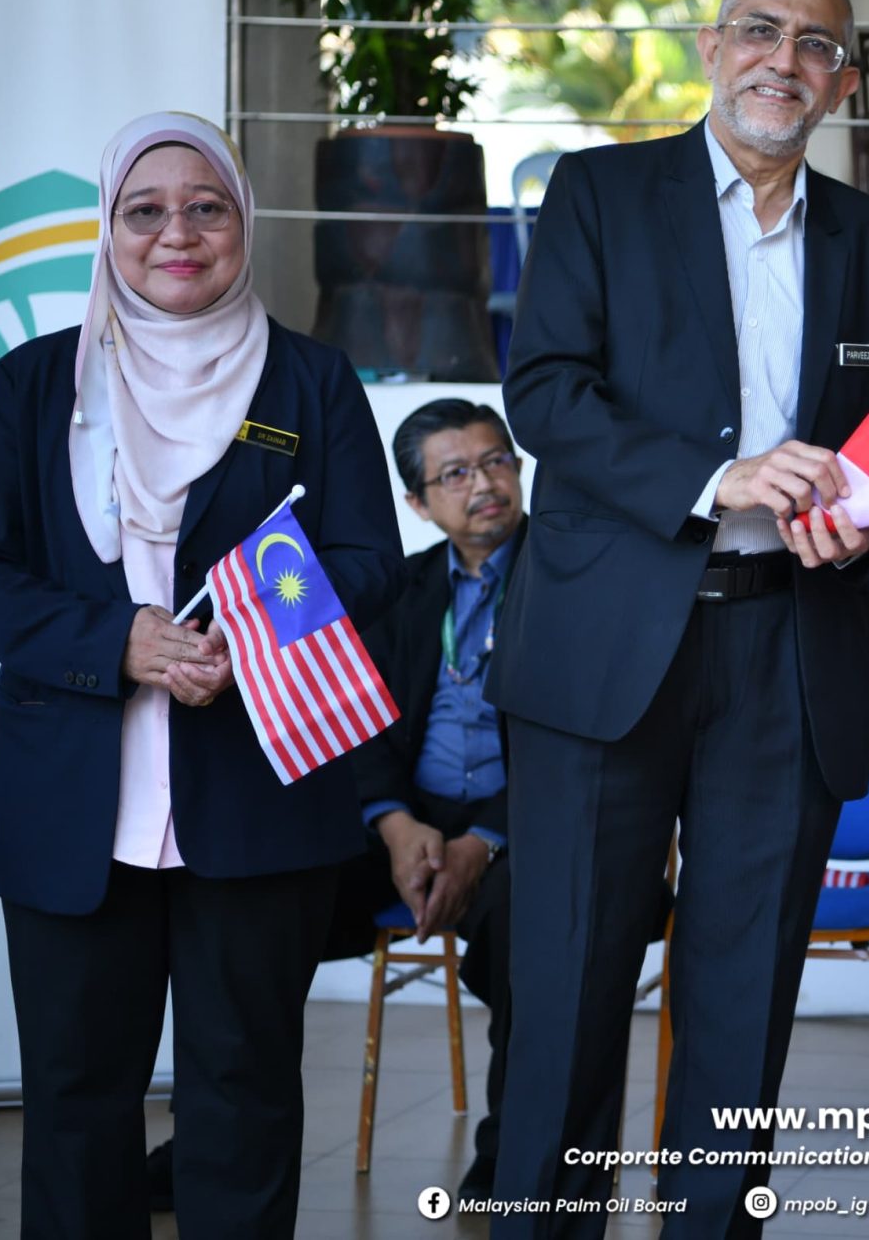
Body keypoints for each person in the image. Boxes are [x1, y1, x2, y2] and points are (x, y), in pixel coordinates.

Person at [484, 0, 869, 1234]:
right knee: (568, 980)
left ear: (844, 81)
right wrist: (714, 475)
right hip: (607, 643)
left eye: (813, 46)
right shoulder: (598, 193)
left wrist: (863, 528)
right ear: (708, 43)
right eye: (758, 31)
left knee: (743, 997)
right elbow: (549, 395)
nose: (780, 62)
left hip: (789, 652)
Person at [0, 112, 402, 1237]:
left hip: (258, 795)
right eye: (146, 210)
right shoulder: (37, 383)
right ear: (109, 227)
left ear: (243, 222)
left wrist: (251, 637)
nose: (176, 233)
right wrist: (117, 643)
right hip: (71, 807)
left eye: (207, 207)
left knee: (242, 1098)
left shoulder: (312, 381)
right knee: (78, 1103)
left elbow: (368, 562)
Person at [324, 398, 530, 1202]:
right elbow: (356, 723)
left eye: (496, 461)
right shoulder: (398, 590)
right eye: (456, 473)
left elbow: (589, 746)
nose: (484, 484)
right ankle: (211, 1141)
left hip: (525, 826)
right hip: (410, 822)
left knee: (530, 924)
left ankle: (512, 1156)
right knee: (266, 899)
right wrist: (394, 822)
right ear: (418, 502)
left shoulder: (572, 578)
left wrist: (485, 838)